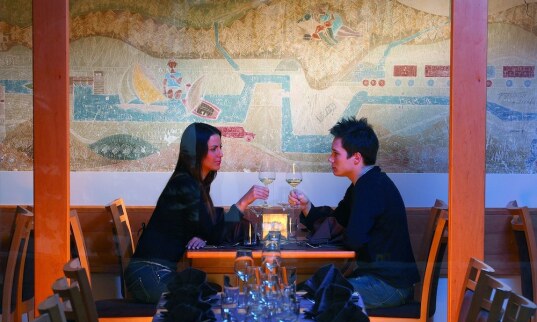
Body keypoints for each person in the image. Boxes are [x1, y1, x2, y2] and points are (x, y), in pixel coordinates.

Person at [125, 122, 269, 303]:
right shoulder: (185, 184)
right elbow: (216, 233)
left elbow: (206, 226)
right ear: (196, 152)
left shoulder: (194, 183)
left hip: (154, 272)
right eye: (214, 149)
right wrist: (243, 202)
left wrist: (203, 234)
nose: (221, 154)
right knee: (208, 300)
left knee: (212, 293)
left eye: (220, 148)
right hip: (149, 275)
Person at [288, 117, 419, 309]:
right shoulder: (362, 184)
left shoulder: (371, 187)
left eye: (335, 153)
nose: (330, 159)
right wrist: (306, 206)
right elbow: (338, 220)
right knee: (305, 290)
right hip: (375, 278)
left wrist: (341, 231)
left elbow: (354, 239)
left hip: (390, 287)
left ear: (356, 158)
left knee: (313, 295)